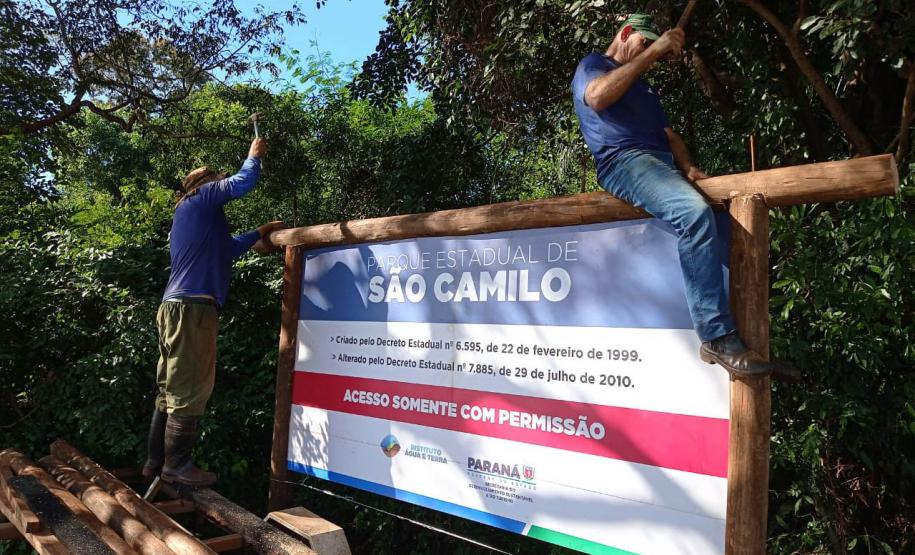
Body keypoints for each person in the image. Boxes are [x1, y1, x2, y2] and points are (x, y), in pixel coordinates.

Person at [571, 13, 786, 379]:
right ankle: (716, 337)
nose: (649, 50)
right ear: (626, 33)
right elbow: (597, 97)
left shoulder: (644, 89)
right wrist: (653, 53)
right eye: (644, 41)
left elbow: (669, 135)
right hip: (625, 161)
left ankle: (751, 341)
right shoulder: (594, 65)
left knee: (732, 232)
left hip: (663, 166)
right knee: (693, 215)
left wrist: (689, 168)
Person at [142, 137, 286, 486]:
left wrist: (261, 232)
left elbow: (229, 249)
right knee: (190, 387)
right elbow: (242, 183)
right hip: (192, 309)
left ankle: (154, 462)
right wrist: (254, 155)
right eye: (213, 180)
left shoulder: (198, 218)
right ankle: (176, 466)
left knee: (171, 386)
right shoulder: (200, 198)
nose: (217, 185)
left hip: (176, 307)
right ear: (203, 185)